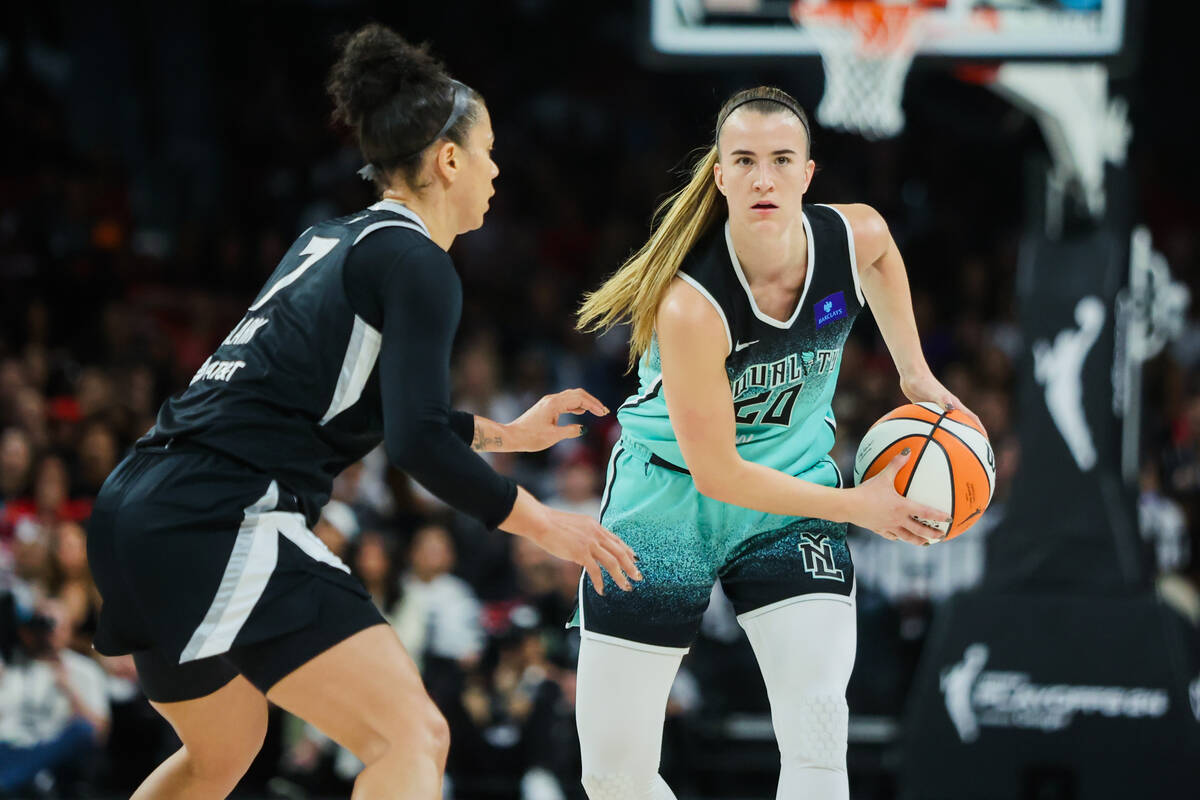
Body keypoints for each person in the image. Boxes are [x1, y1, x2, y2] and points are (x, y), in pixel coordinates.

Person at [84, 24, 639, 800]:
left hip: (135, 512)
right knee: (412, 737)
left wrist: (506, 433)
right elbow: (412, 440)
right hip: (219, 517)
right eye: (486, 151)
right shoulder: (419, 263)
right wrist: (543, 522)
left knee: (222, 753)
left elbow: (367, 410)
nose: (496, 168)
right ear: (448, 159)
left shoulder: (332, 240)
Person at [572, 86, 979, 800]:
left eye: (781, 159)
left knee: (819, 739)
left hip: (791, 500)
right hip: (668, 504)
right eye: (746, 161)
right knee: (613, 776)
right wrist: (858, 506)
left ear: (808, 174)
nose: (764, 177)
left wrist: (915, 371)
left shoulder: (848, 238)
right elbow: (720, 473)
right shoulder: (692, 304)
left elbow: (882, 257)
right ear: (721, 175)